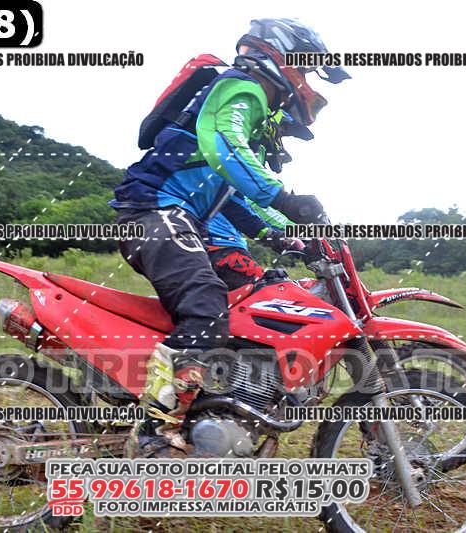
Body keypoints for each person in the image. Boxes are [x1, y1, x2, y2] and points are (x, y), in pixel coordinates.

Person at [110, 18, 349, 432]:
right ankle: (153, 430)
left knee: (240, 303)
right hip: (153, 213)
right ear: (283, 54)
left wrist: (281, 236)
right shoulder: (241, 86)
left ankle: (218, 404)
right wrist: (283, 198)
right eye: (306, 68)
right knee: (206, 309)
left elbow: (230, 198)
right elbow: (224, 142)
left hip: (172, 217)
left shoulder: (243, 94)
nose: (307, 81)